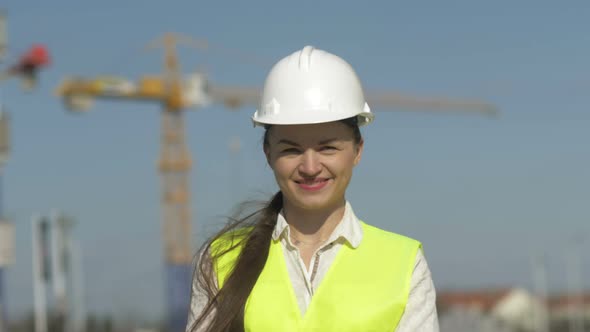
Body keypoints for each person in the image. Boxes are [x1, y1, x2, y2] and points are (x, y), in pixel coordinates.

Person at [186, 46, 439, 332]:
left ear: (357, 150)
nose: (310, 166)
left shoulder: (404, 264)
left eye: (327, 148)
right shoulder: (221, 260)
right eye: (291, 149)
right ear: (268, 153)